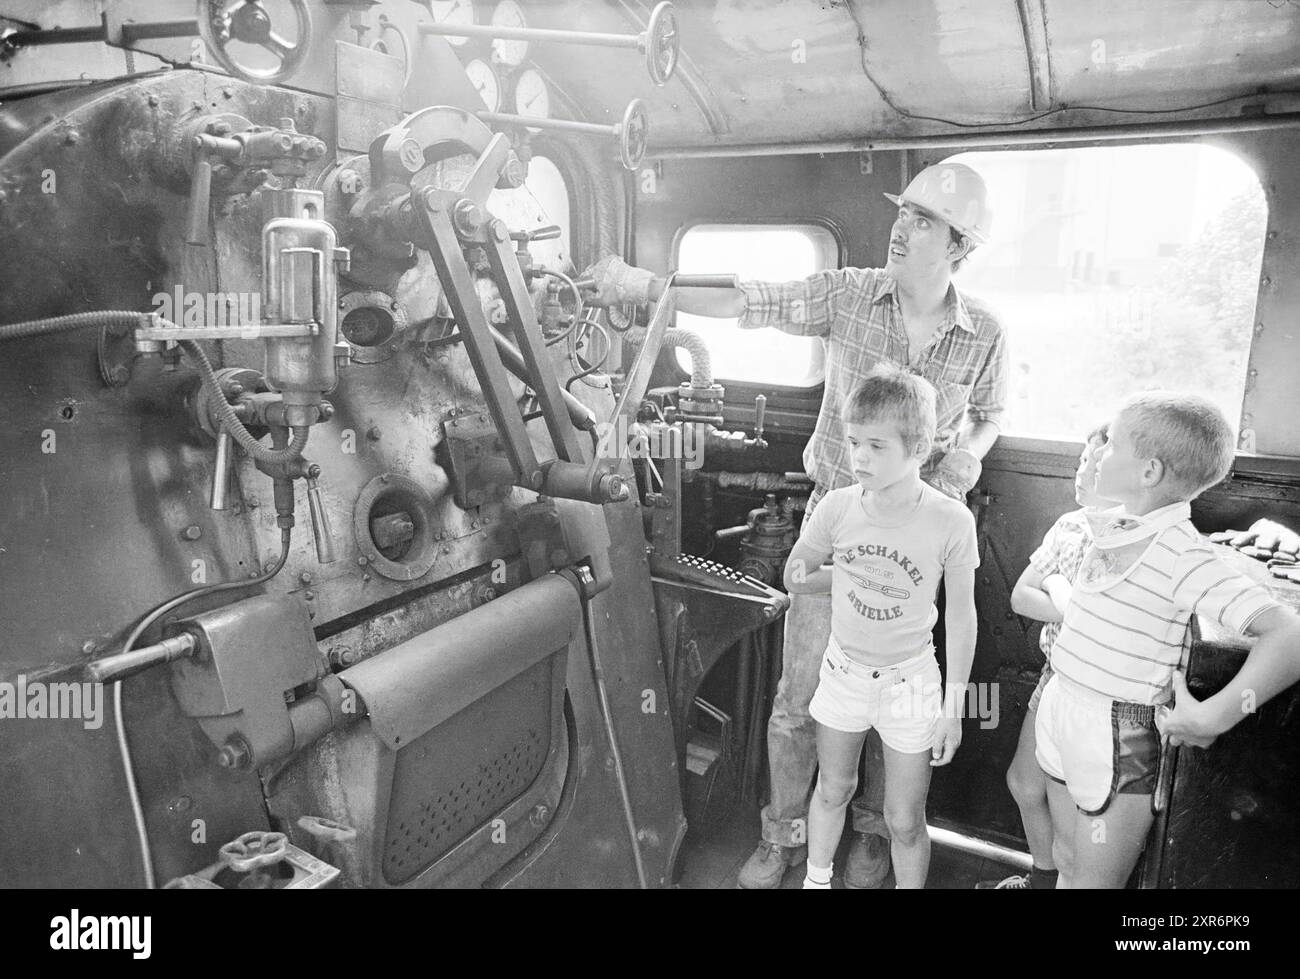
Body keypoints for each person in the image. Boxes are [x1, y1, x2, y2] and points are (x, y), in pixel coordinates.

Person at [584, 161, 1008, 889]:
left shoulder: (985, 333)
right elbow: (755, 300)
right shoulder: (849, 294)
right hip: (837, 521)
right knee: (801, 697)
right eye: (902, 213)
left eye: (923, 221)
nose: (901, 228)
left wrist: (968, 453)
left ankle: (873, 834)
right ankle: (782, 835)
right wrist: (652, 288)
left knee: (893, 698)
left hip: (917, 542)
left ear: (960, 247)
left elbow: (993, 414)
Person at [1037, 392, 1300, 888]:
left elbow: (1290, 636)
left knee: (1094, 882)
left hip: (1117, 734)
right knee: (1066, 857)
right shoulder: (1113, 528)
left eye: (1111, 444)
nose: (1099, 453)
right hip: (1063, 708)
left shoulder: (1182, 554)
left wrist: (1216, 714)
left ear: (1150, 471)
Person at [783, 367, 978, 888]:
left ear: (918, 447)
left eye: (876, 445)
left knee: (904, 819)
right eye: (853, 442)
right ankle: (816, 881)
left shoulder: (951, 520)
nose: (860, 457)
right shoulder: (838, 506)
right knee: (832, 789)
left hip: (910, 683)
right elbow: (796, 576)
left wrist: (954, 706)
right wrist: (844, 571)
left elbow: (962, 616)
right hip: (843, 674)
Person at [976, 423, 1115, 890]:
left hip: (1100, 692)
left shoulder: (1128, 543)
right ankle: (1043, 876)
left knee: (1078, 811)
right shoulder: (1069, 527)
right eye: (1079, 461)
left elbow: (1096, 622)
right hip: (1054, 676)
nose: (1081, 472)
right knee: (1024, 781)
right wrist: (1066, 596)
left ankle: (1060, 879)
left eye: (1093, 464)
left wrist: (1057, 590)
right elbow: (1020, 597)